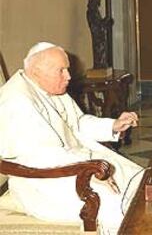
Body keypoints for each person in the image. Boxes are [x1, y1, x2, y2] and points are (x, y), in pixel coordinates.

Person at [0, 42, 143, 233]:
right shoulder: (17, 102)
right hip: (43, 181)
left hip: (72, 163)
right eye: (61, 70)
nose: (68, 76)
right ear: (36, 71)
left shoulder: (48, 87)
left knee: (138, 179)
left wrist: (113, 125)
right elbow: (44, 157)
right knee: (116, 206)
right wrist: (89, 169)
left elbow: (77, 123)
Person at [87, 0, 113, 69]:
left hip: (100, 34)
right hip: (97, 35)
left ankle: (102, 64)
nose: (97, 7)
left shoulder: (95, 12)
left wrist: (106, 22)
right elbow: (96, 24)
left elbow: (101, 24)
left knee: (103, 50)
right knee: (99, 50)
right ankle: (99, 65)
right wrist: (105, 21)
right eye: (96, 4)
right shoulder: (91, 13)